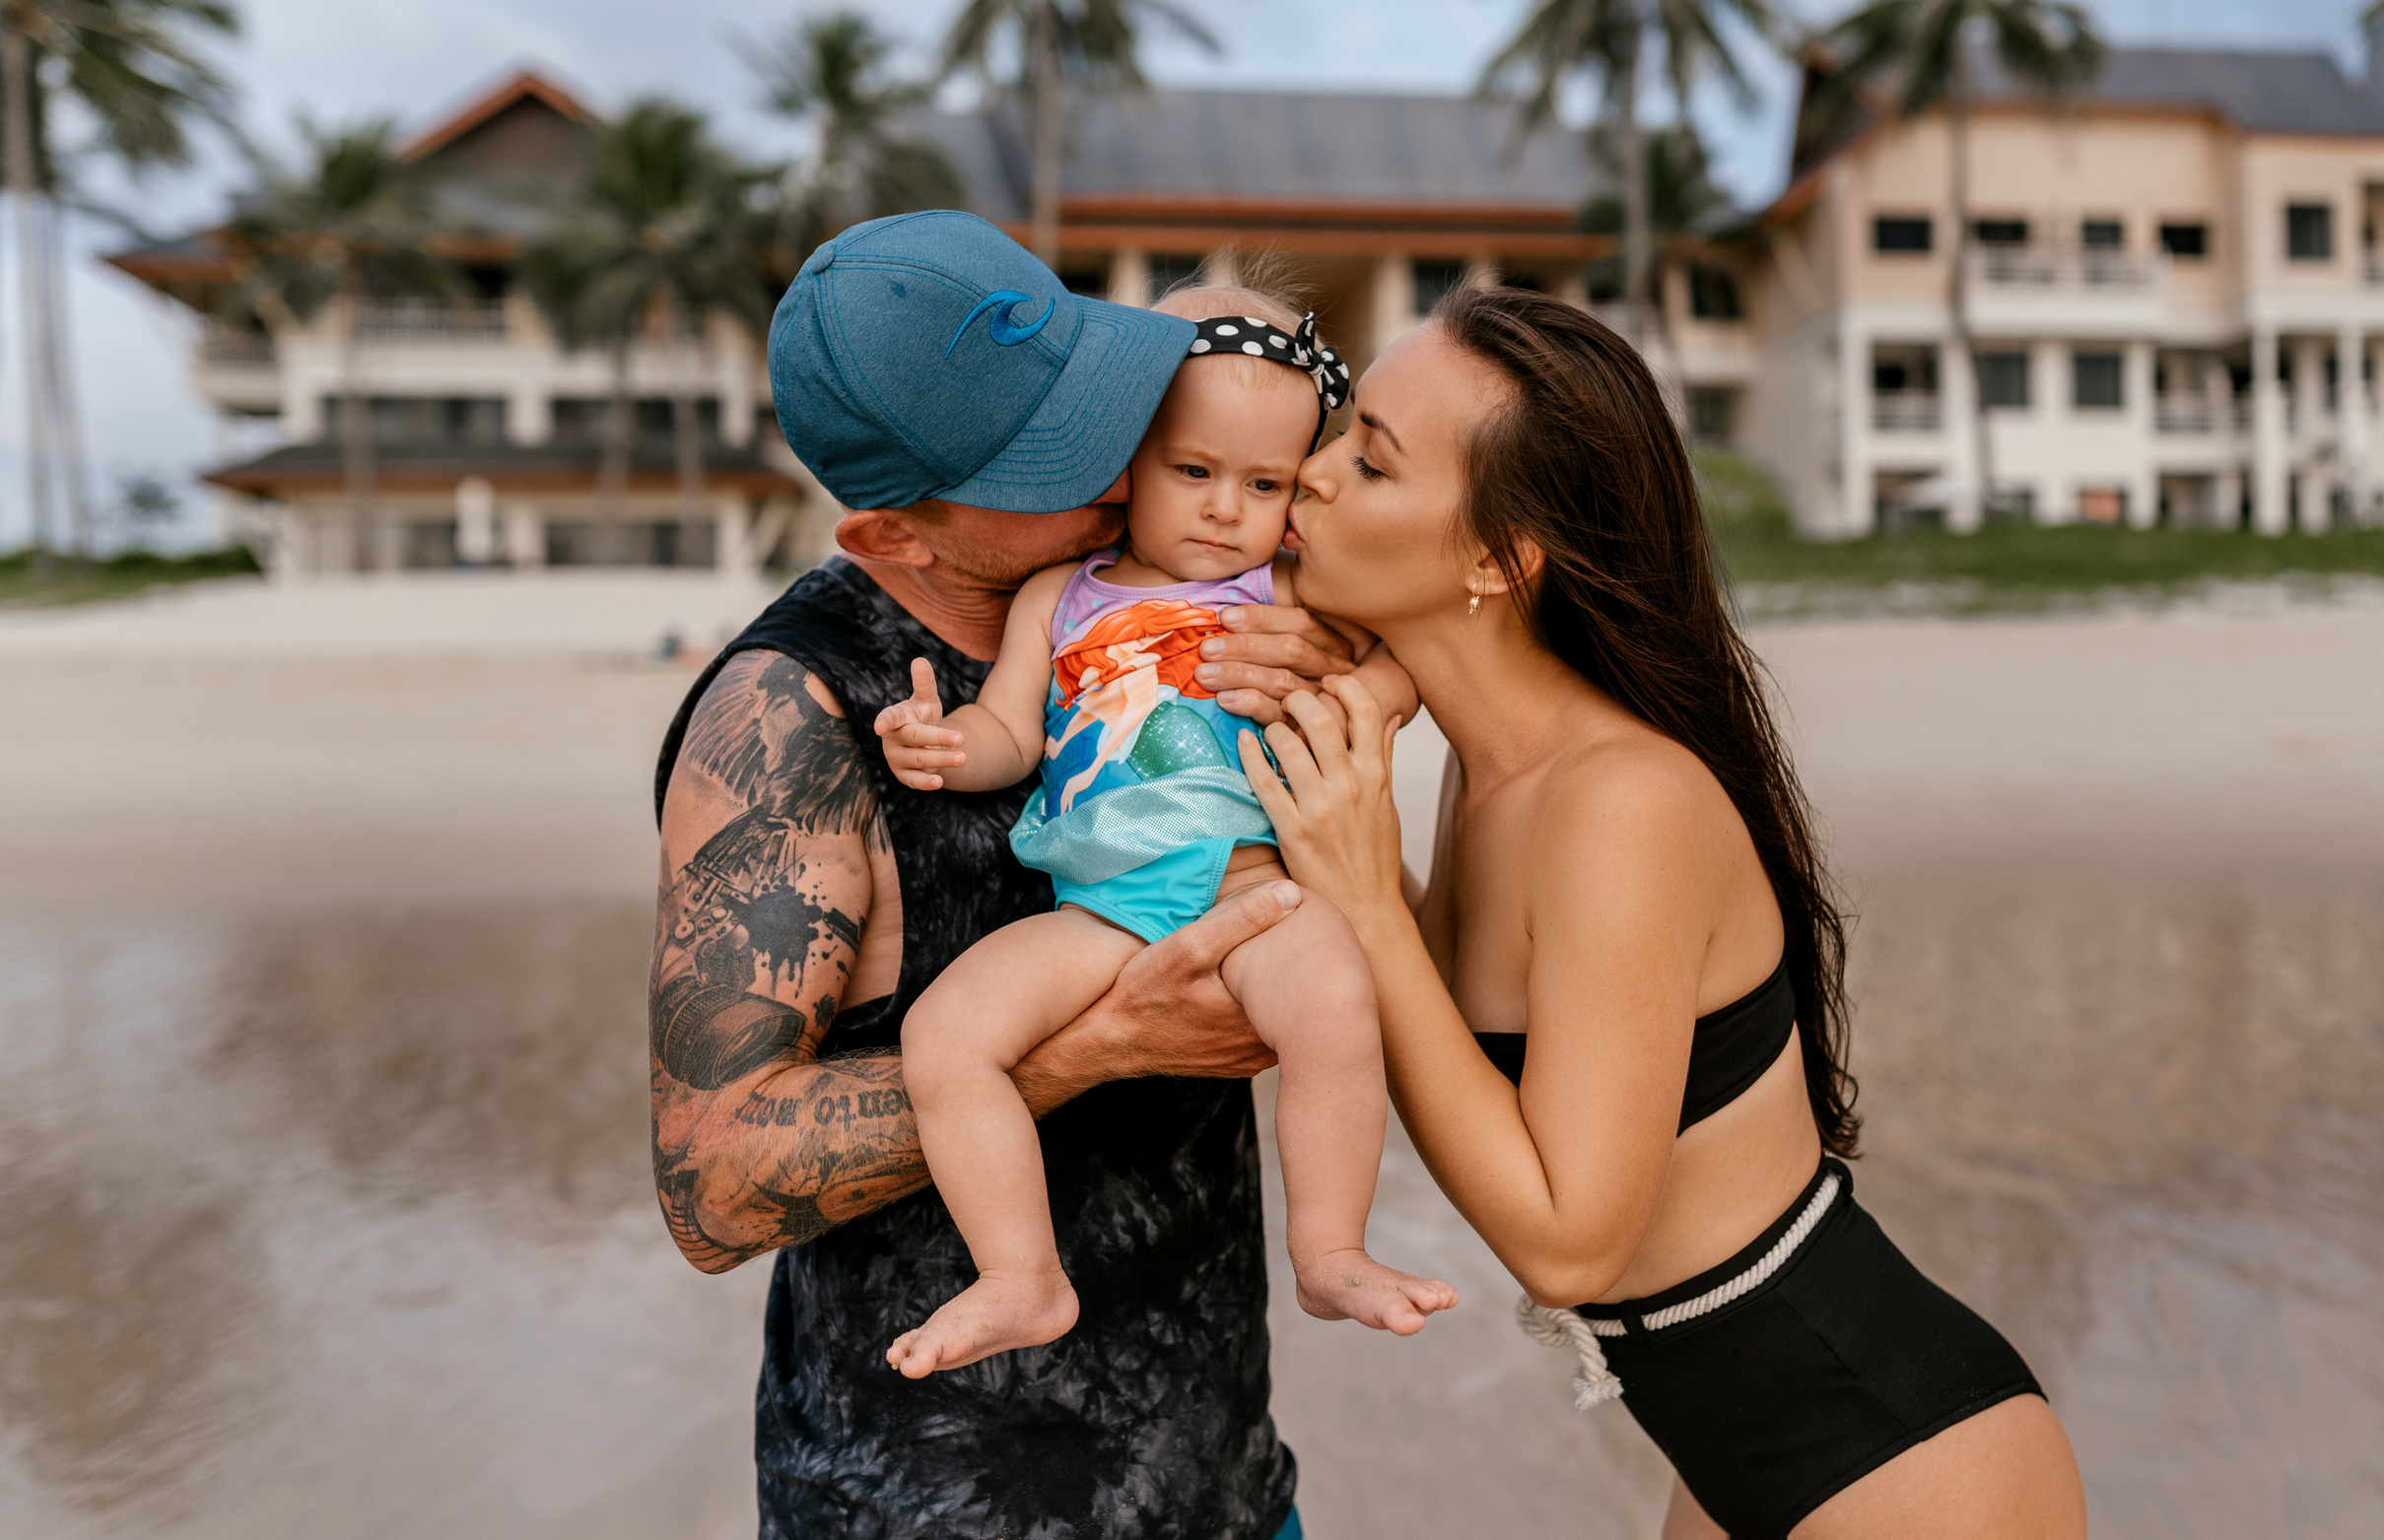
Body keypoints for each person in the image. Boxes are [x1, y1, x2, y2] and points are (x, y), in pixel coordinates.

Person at [1244, 286, 2089, 1540]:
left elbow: (1570, 1247)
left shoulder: (1618, 802)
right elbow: (1442, 1042)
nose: (1305, 479)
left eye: (1366, 460)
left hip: (1900, 1464)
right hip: (1731, 1457)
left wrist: (1363, 892)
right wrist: (1343, 807)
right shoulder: (1495, 772)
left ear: (1496, 557)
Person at [648, 212, 1354, 1539]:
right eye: (1045, 454)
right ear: (891, 535)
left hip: (1222, 1478)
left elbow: (1262, 370)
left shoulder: (1185, 574)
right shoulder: (793, 716)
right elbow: (713, 1179)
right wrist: (1102, 1041)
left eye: (1094, 397)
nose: (1113, 453)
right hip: (926, 1503)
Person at [871, 284, 1454, 1379]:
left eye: (1264, 483)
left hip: (1249, 890)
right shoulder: (1060, 594)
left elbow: (1408, 643)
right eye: (1194, 471)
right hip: (1099, 911)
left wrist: (1369, 697)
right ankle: (1020, 1274)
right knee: (944, 1037)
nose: (1226, 508)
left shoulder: (1284, 585)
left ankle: (1330, 1249)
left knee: (1333, 1000)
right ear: (1127, 466)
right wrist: (944, 745)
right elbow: (1008, 728)